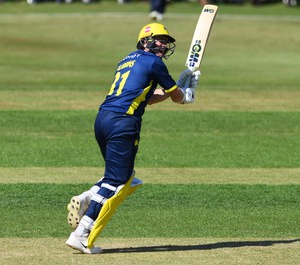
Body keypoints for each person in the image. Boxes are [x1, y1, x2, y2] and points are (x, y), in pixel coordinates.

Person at [65, 23, 200, 254]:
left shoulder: (127, 60)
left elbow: (146, 97)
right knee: (116, 182)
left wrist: (176, 88)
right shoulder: (155, 62)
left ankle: (88, 198)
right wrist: (183, 94)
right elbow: (176, 97)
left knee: (125, 178)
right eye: (159, 39)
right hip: (123, 123)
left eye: (166, 41)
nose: (164, 44)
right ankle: (81, 233)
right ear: (145, 40)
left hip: (103, 119)